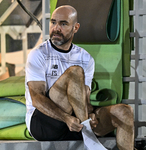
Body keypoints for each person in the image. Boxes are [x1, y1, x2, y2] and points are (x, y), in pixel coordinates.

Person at [25, 5, 134, 150]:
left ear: (75, 28)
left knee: (124, 112)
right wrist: (67, 118)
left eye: (63, 24)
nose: (56, 28)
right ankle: (89, 134)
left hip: (77, 123)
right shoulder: (38, 54)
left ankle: (89, 129)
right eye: (53, 22)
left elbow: (84, 100)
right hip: (44, 123)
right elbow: (36, 99)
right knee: (75, 72)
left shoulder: (85, 57)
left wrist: (90, 114)